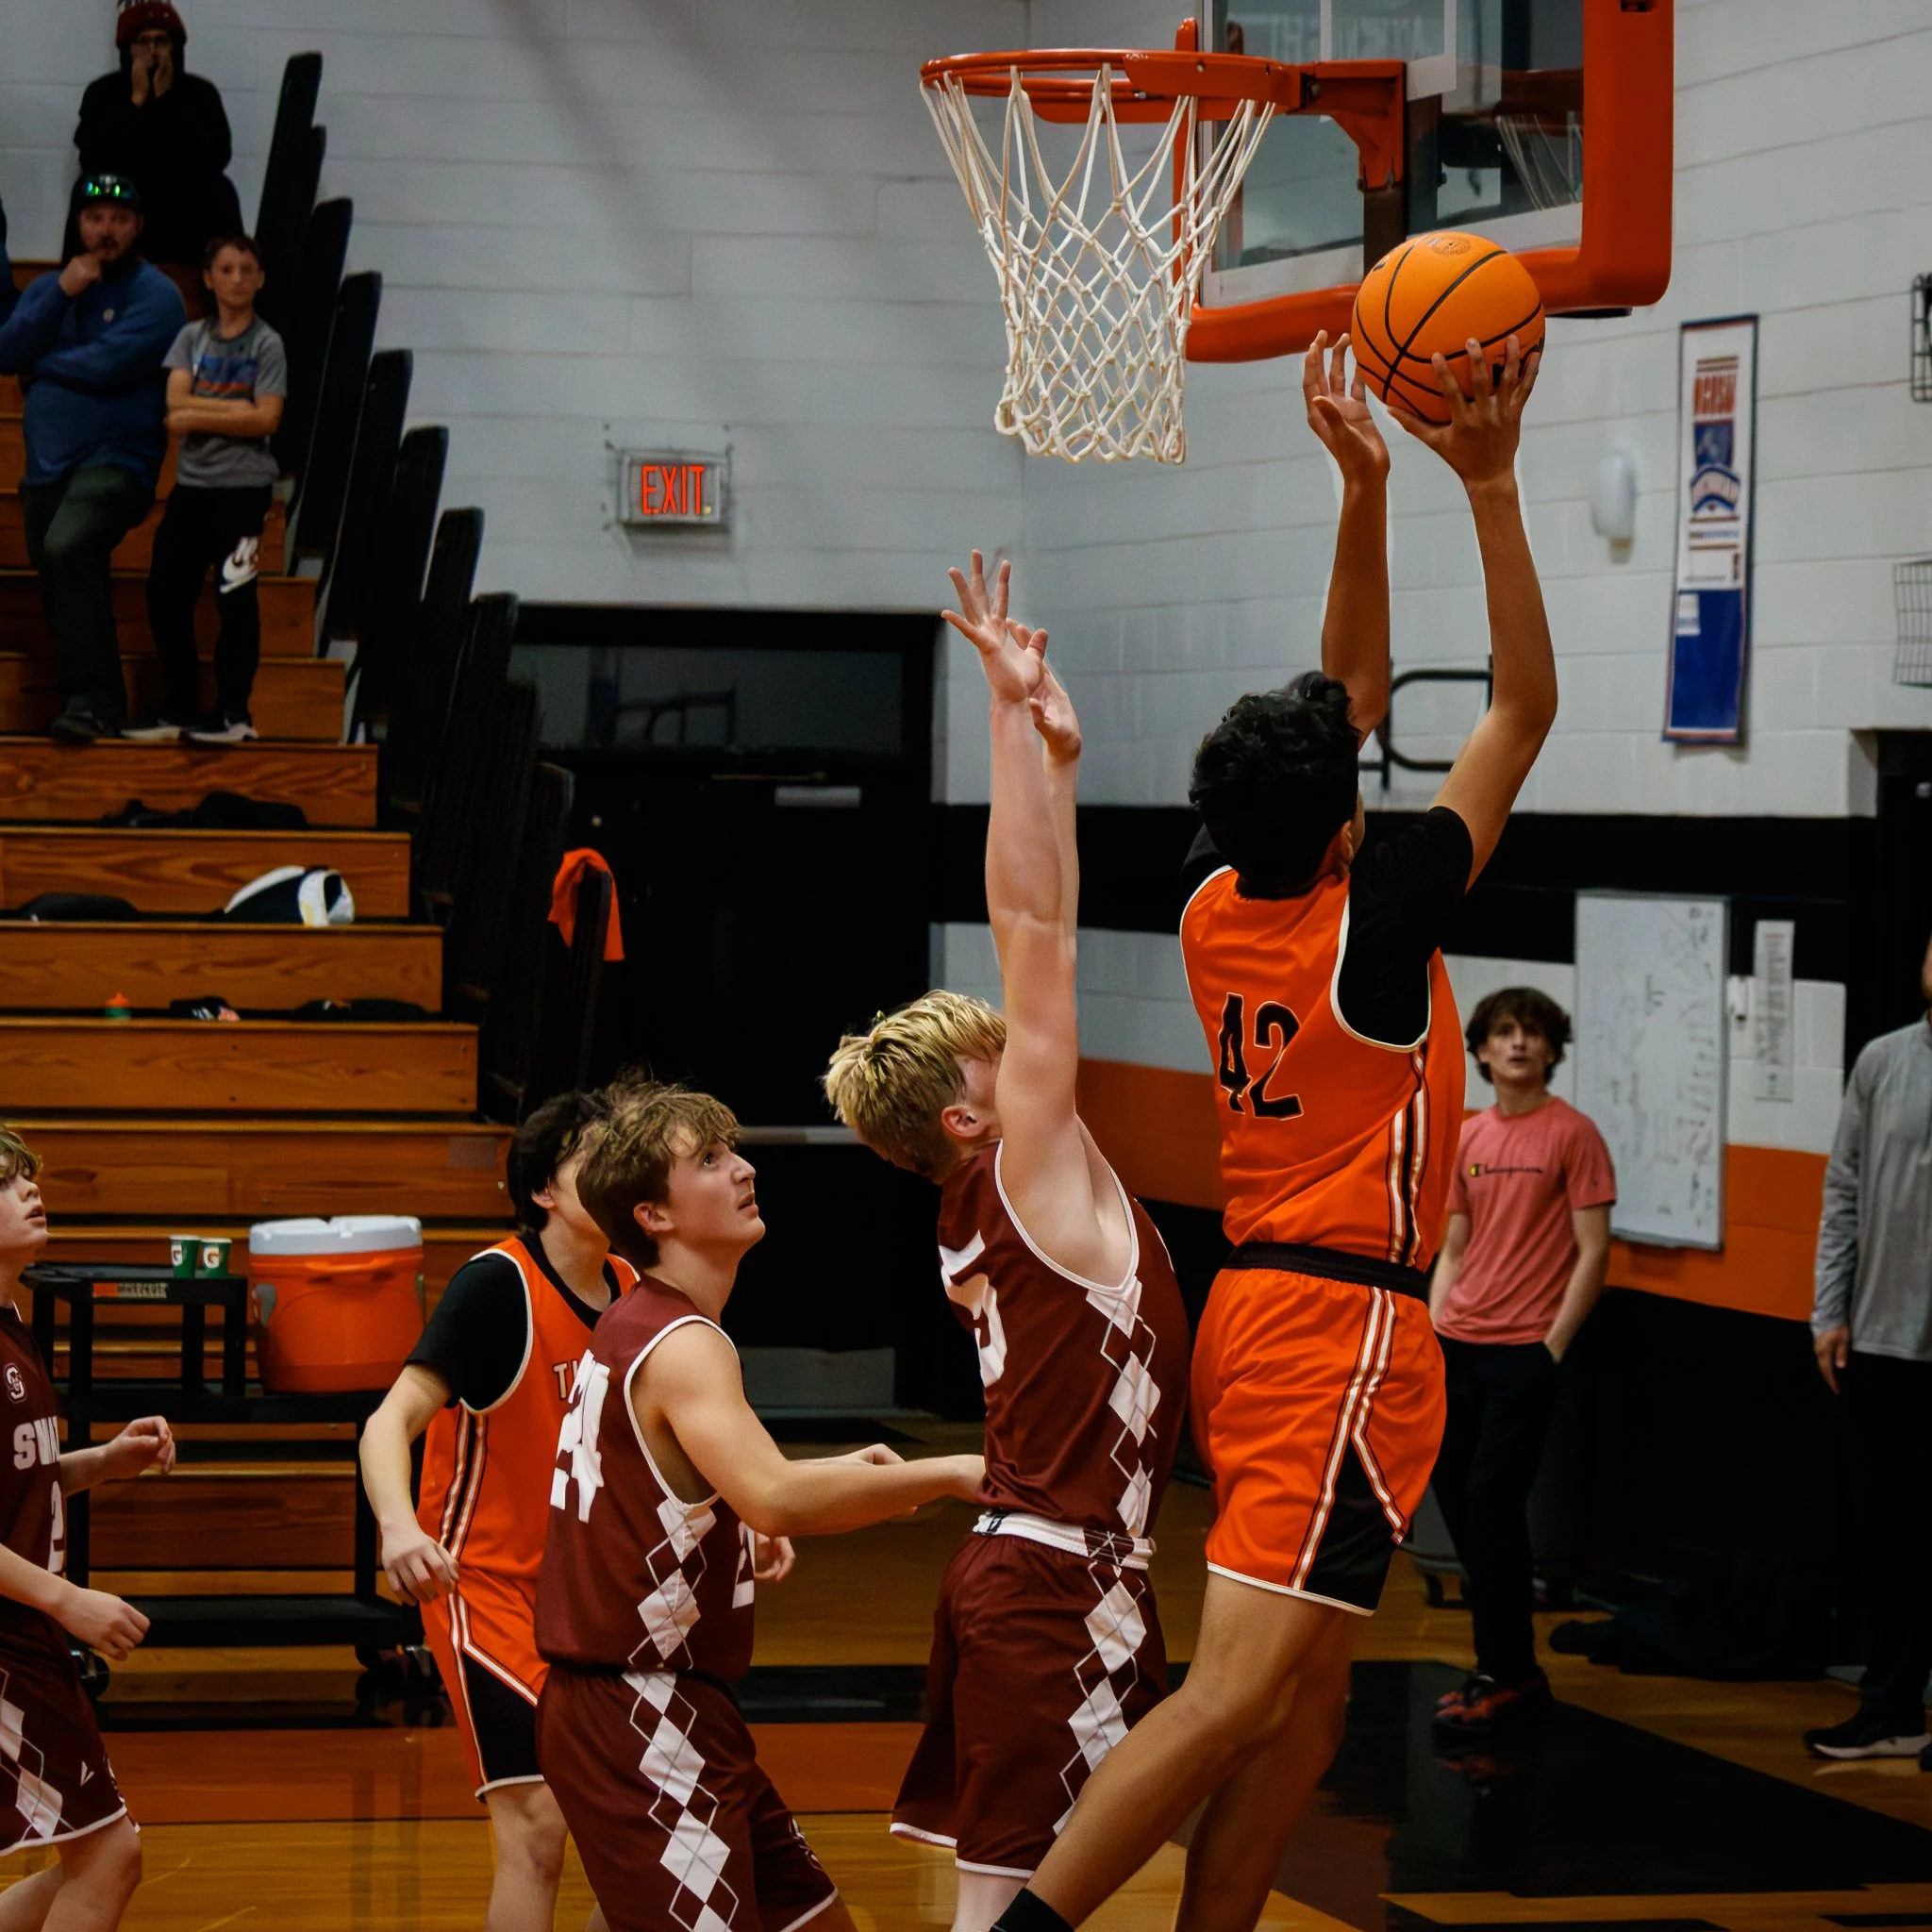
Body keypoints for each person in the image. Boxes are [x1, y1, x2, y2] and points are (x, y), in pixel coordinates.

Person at [991, 330, 1554, 1932]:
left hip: (1250, 1306)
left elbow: (1343, 703)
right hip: (1339, 1330)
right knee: (1240, 1693)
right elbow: (1521, 703)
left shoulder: (1210, 896)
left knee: (1306, 1707)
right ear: (1349, 828)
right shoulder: (1373, 927)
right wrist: (1488, 488)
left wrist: (1359, 488)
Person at [821, 556, 1191, 1932]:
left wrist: (1059, 764)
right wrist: (1001, 713)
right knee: (1014, 1917)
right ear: (970, 1113)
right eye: (999, 1051)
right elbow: (1036, 927)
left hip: (1032, 1570)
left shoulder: (989, 1195)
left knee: (1020, 1904)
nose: (1023, 1046)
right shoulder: (1024, 1168)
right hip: (1057, 1577)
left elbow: (1052, 924)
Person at [538, 1080, 985, 1932]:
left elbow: (692, 1489)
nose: (742, 1168)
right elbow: (776, 1496)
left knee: (816, 1923)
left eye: (732, 1150)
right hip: (635, 1707)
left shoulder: (643, 1321)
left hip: (678, 1708)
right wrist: (951, 1473)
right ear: (654, 1215)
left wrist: (731, 1525)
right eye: (707, 1160)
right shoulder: (684, 1344)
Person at [359, 1091, 633, 1932]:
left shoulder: (633, 1286)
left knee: (643, 1830)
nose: (624, 1172)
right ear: (546, 1190)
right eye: (600, 1156)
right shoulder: (496, 1284)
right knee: (539, 1826)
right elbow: (388, 1419)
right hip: (486, 1592)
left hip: (592, 1603)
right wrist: (400, 1527)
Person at [0, 1123, 175, 1927]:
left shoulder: (14, 1326)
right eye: (6, 1184)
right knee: (109, 1854)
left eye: (28, 1178)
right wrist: (68, 1600)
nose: (31, 1191)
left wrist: (103, 1462)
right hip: (12, 1637)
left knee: (97, 1853)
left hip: (25, 1631)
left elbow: (21, 1481)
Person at [1427, 987, 1614, 1733]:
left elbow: (1594, 1252)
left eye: (1532, 1033)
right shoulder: (1472, 1138)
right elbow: (1455, 1246)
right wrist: (1434, 1324)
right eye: (1504, 1032)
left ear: (1551, 1050)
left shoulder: (1574, 1134)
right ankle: (1504, 1669)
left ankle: (1509, 1671)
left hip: (1523, 1355)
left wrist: (1551, 1349)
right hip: (1458, 1347)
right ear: (1481, 1050)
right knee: (1469, 1517)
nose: (1517, 1044)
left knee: (1491, 1509)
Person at [1805, 933, 1932, 1765]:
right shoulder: (1884, 1061)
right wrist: (1828, 1312)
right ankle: (1892, 1707)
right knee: (1892, 1536)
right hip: (1884, 1336)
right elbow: (1843, 1190)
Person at [0, 175, 184, 744]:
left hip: (117, 464)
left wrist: (42, 365)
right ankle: (97, 702)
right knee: (62, 570)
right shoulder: (52, 288)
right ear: (78, 224)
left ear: (138, 227)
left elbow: (109, 366)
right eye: (94, 217)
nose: (105, 230)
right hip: (47, 468)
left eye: (119, 219)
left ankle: (90, 696)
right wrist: (60, 294)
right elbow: (6, 351)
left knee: (68, 544)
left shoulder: (158, 296)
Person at [125, 233, 285, 746]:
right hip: (193, 490)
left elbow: (266, 419)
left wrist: (203, 410)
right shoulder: (191, 337)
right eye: (226, 269)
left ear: (260, 279)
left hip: (245, 494)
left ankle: (235, 713)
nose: (236, 279)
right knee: (164, 591)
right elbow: (175, 413)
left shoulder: (267, 343)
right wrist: (232, 410)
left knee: (236, 596)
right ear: (208, 278)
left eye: (246, 269)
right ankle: (180, 705)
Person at [73, 3, 242, 269]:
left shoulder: (200, 92)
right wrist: (136, 101)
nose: (152, 51)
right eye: (142, 42)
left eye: (161, 41)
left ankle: (222, 283)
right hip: (123, 189)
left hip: (183, 188)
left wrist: (166, 103)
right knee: (86, 188)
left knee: (221, 191)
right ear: (128, 49)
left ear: (174, 47)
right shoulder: (102, 92)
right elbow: (93, 157)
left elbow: (217, 156)